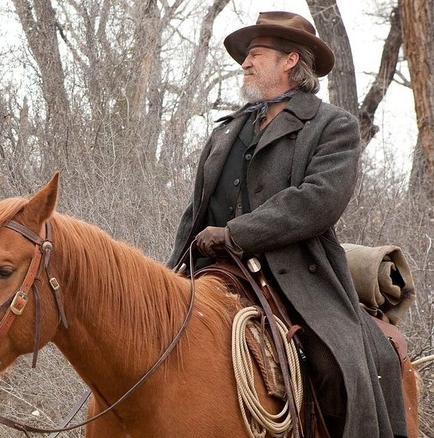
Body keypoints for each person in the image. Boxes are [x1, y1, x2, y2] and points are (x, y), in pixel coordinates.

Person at [165, 11, 407, 438]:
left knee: (339, 367)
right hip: (210, 273)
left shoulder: (333, 126)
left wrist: (235, 234)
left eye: (256, 54)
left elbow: (317, 202)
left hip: (295, 279)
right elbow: (195, 212)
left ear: (291, 60)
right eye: (246, 56)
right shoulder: (225, 132)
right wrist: (169, 273)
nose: (245, 63)